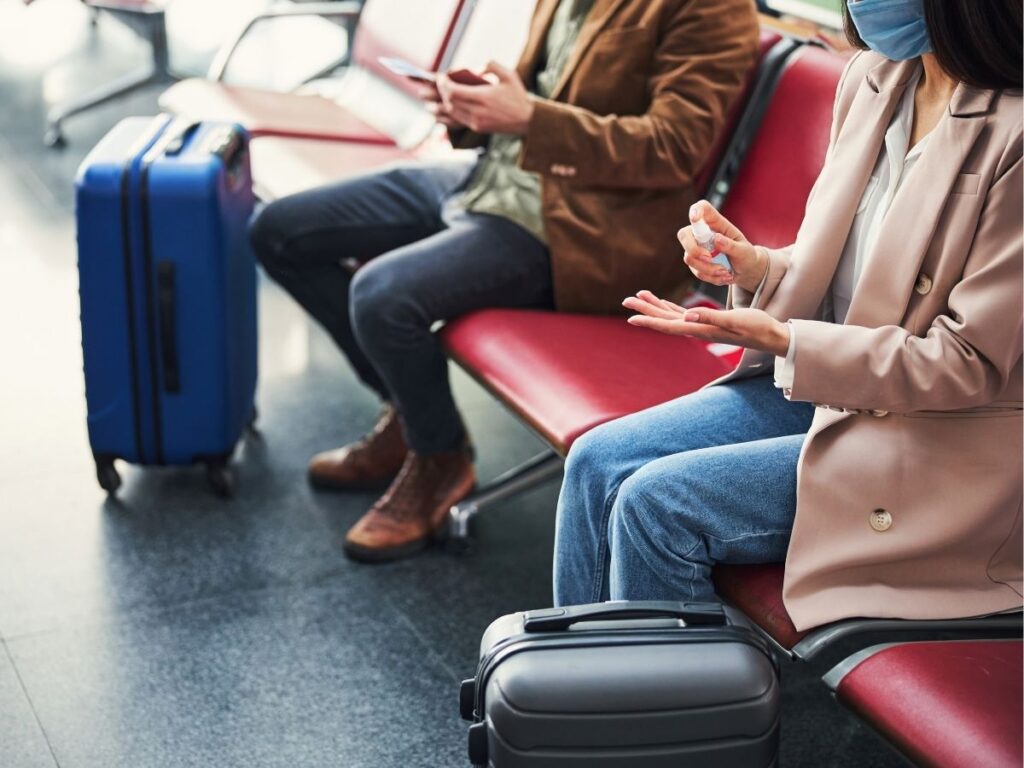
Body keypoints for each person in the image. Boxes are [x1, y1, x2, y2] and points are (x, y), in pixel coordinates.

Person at [554, 0, 1023, 630]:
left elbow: (967, 363)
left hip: (939, 437)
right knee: (595, 459)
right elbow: (858, 263)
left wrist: (787, 338)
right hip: (839, 390)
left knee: (655, 505)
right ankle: (585, 701)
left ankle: (656, 721)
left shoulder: (1015, 132)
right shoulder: (876, 75)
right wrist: (755, 269)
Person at [250, 0, 760, 562]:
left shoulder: (712, 7)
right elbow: (540, 96)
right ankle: (409, 414)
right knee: (280, 231)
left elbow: (674, 146)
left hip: (583, 228)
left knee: (382, 296)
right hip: (497, 177)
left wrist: (528, 119)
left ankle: (437, 455)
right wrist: (473, 111)